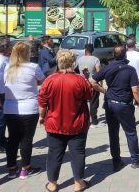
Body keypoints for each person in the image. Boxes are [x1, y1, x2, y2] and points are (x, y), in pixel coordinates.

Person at [38, 50, 94, 192]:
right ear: (73, 63)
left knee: (54, 154)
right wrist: (86, 78)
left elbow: (42, 103)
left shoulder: (49, 80)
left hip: (54, 123)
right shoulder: (80, 80)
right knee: (78, 153)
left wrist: (41, 117)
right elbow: (89, 95)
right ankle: (78, 183)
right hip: (77, 124)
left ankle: (52, 184)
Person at [91, 45, 139, 170]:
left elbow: (92, 81)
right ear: (125, 55)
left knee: (113, 133)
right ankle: (136, 159)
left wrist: (104, 91)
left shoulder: (108, 67)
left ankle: (116, 161)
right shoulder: (130, 70)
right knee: (131, 132)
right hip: (123, 105)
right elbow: (135, 90)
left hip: (110, 104)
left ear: (113, 55)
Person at [1, 41, 45, 179]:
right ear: (27, 53)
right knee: (26, 139)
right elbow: (42, 80)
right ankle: (25, 168)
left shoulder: (8, 67)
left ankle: (11, 168)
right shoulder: (33, 67)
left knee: (12, 138)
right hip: (29, 107)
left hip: (10, 107)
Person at [77, 44, 103, 127]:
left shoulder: (79, 59)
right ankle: (94, 121)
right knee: (93, 102)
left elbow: (76, 70)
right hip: (92, 83)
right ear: (92, 50)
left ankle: (84, 120)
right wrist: (101, 84)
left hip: (81, 84)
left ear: (85, 49)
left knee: (82, 102)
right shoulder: (96, 59)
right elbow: (99, 72)